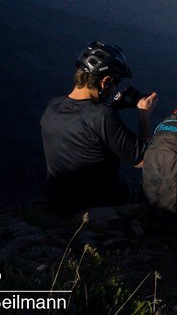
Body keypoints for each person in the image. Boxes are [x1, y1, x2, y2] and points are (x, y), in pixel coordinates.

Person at [41, 41, 157, 214]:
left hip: (58, 201)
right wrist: (144, 116)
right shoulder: (102, 116)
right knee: (159, 191)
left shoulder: (52, 106)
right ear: (106, 81)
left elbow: (81, 121)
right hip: (98, 203)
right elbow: (144, 161)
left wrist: (112, 107)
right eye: (115, 82)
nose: (115, 87)